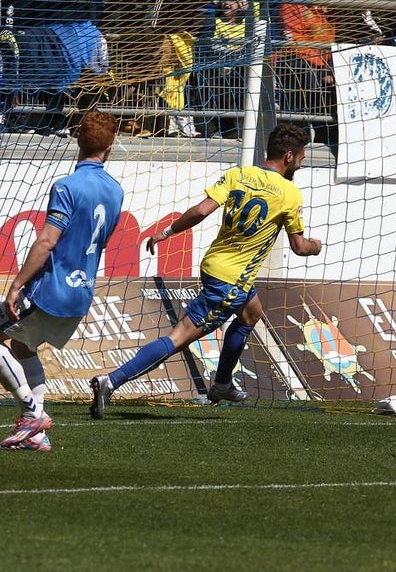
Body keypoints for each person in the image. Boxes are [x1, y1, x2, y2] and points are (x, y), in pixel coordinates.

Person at [89, 123, 323, 415]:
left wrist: (167, 232)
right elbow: (299, 246)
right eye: (300, 158)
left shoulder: (239, 174)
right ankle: (111, 381)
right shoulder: (290, 193)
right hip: (232, 280)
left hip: (214, 265)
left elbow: (201, 211)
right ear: (289, 156)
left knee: (251, 313)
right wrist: (316, 246)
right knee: (178, 338)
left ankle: (222, 383)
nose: (300, 163)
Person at [0, 110, 125, 448]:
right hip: (81, 293)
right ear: (109, 148)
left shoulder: (66, 186)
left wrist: (17, 285)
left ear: (78, 142)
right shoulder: (116, 191)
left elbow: (46, 241)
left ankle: (32, 413)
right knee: (22, 346)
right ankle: (36, 436)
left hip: (50, 290)